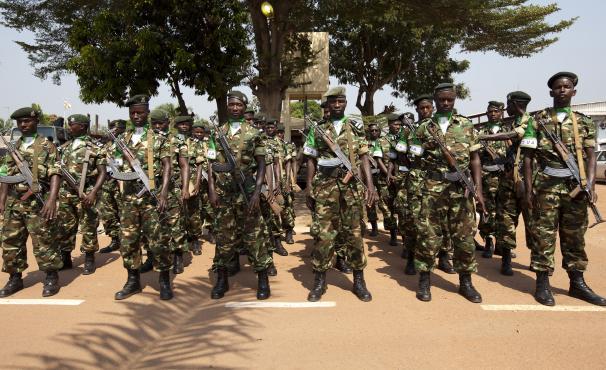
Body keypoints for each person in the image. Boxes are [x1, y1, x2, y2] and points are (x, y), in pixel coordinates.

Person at [523, 72, 606, 306]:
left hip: (575, 188)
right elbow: (528, 158)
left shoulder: (584, 122)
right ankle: (542, 283)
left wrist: (589, 183)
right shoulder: (537, 121)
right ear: (551, 92)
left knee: (574, 237)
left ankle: (577, 283)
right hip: (546, 187)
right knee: (543, 236)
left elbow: (591, 156)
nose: (562, 90)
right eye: (558, 87)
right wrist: (528, 190)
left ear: (574, 91)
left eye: (566, 87)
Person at [303, 86, 377, 302]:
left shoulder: (354, 127)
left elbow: (364, 158)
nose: (337, 105)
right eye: (333, 102)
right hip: (324, 186)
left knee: (354, 235)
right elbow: (310, 159)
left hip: (351, 189)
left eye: (341, 101)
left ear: (346, 103)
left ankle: (359, 281)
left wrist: (370, 186)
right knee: (323, 235)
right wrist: (309, 186)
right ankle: (319, 281)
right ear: (328, 105)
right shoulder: (317, 129)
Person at [414, 83, 486, 303]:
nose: (446, 103)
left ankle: (466, 282)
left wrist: (477, 189)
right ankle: (424, 280)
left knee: (464, 237)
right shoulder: (424, 127)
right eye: (442, 100)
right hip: (432, 188)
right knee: (428, 235)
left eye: (450, 100)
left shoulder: (466, 125)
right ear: (435, 100)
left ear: (455, 100)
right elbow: (414, 158)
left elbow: (475, 159)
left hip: (461, 189)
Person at [207, 91, 272, 300]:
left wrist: (256, 192)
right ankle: (222, 280)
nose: (235, 108)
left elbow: (262, 164)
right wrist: (212, 190)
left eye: (239, 105)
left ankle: (262, 279)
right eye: (231, 105)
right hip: (225, 193)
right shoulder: (218, 133)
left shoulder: (254, 133)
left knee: (255, 237)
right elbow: (211, 164)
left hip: (247, 190)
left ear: (244, 107)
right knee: (224, 238)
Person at [110, 94, 173, 300]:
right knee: (129, 241)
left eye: (140, 112)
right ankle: (133, 281)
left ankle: (164, 280)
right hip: (129, 199)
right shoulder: (122, 140)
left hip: (152, 199)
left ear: (147, 113)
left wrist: (163, 192)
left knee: (158, 241)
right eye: (132, 113)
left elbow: (167, 166)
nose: (136, 116)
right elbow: (115, 166)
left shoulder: (158, 138)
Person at [0, 107, 63, 297]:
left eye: (27, 121)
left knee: (44, 242)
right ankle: (14, 278)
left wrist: (51, 199)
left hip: (38, 203)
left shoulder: (47, 146)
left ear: (36, 122)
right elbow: (5, 175)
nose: (23, 125)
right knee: (11, 242)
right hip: (14, 203)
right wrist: (2, 201)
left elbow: (55, 173)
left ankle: (51, 277)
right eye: (20, 122)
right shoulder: (13, 147)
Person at [477, 91, 536, 275]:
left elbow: (513, 135)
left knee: (532, 220)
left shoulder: (529, 122)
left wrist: (483, 138)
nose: (503, 109)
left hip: (526, 180)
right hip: (506, 179)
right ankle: (506, 258)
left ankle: (537, 259)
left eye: (506, 105)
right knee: (506, 220)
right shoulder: (515, 121)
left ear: (515, 104)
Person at [55, 114, 107, 275]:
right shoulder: (64, 147)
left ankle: (89, 259)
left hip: (86, 193)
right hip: (66, 193)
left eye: (72, 125)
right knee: (65, 226)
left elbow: (103, 173)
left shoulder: (95, 147)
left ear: (83, 127)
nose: (69, 128)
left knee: (88, 226)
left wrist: (93, 193)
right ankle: (65, 258)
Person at [150, 110, 190, 275]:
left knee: (174, 224)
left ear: (168, 123)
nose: (158, 126)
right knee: (152, 226)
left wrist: (185, 188)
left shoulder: (177, 141)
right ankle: (151, 258)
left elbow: (184, 165)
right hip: (151, 189)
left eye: (161, 123)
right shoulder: (148, 140)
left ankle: (178, 256)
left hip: (172, 188)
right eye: (155, 123)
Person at [476, 101, 507, 258]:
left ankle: (502, 244)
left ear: (501, 112)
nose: (493, 114)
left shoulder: (508, 130)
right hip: (486, 177)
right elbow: (475, 158)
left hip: (504, 178)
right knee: (486, 211)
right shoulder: (480, 132)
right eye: (490, 111)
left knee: (504, 212)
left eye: (496, 111)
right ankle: (488, 242)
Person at [175, 115, 205, 256]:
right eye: (181, 124)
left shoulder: (194, 143)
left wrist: (198, 183)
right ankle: (180, 242)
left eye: (187, 124)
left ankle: (195, 239)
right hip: (174, 181)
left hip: (192, 179)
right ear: (176, 126)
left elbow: (199, 164)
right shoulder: (170, 140)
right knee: (177, 213)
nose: (184, 126)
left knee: (193, 212)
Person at [99, 119, 126, 254]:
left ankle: (128, 241)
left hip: (122, 182)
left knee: (125, 212)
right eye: (110, 129)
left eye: (115, 130)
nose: (111, 132)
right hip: (107, 182)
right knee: (108, 213)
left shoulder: (126, 143)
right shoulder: (105, 145)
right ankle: (115, 240)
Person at [366, 120, 394, 238]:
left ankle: (392, 231)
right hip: (369, 178)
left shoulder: (386, 142)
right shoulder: (364, 144)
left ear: (380, 131)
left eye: (376, 130)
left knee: (386, 203)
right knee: (370, 203)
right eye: (371, 130)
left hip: (382, 177)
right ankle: (374, 228)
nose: (374, 132)